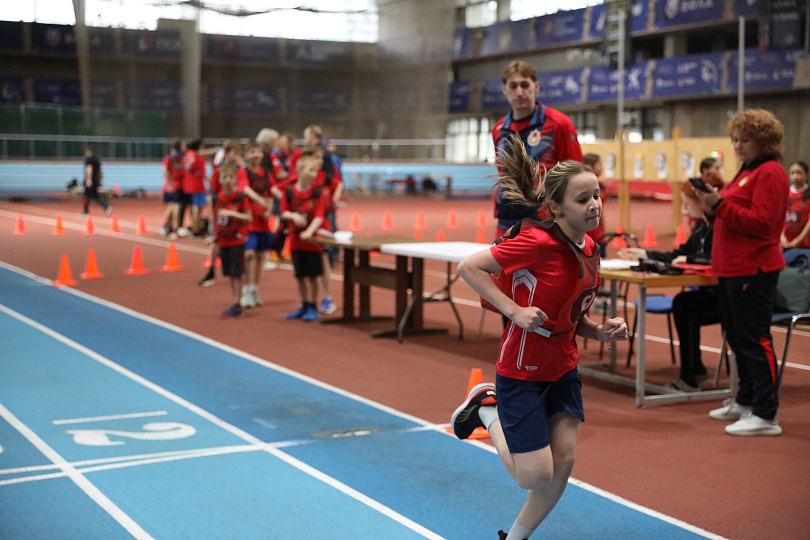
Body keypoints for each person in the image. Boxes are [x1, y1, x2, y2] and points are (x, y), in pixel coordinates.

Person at [453, 135, 627, 540]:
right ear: (556, 208)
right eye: (583, 199)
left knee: (562, 464)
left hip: (563, 368)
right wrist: (514, 310)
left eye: (597, 195)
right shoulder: (536, 242)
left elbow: (569, 311)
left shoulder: (591, 246)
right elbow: (469, 268)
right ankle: (487, 410)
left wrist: (597, 329)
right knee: (533, 475)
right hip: (522, 371)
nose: (595, 205)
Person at [693, 109, 789, 436]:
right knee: (736, 337)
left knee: (754, 338)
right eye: (734, 139)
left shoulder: (771, 172)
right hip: (732, 266)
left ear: (764, 141)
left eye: (744, 140)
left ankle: (765, 413)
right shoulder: (746, 171)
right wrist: (711, 208)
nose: (737, 146)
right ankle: (746, 399)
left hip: (754, 267)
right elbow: (730, 215)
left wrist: (719, 204)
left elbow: (763, 223)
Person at [618, 171, 725, 392]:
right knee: (685, 303)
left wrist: (691, 259)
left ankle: (690, 375)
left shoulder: (720, 226)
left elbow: (718, 258)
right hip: (709, 292)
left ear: (701, 201)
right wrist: (645, 254)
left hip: (726, 294)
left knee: (684, 304)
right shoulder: (702, 227)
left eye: (687, 204)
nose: (684, 209)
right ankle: (694, 369)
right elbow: (678, 254)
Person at [491, 60, 583, 240]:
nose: (520, 92)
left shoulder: (559, 124)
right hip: (506, 216)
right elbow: (502, 171)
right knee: (498, 260)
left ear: (536, 87)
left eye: (525, 85)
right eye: (513, 86)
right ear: (504, 90)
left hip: (545, 218)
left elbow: (576, 174)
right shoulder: (498, 129)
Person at [281, 154, 329, 322]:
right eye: (311, 170)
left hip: (312, 242)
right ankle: (304, 304)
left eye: (316, 171)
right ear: (300, 170)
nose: (314, 174)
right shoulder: (289, 191)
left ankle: (313, 306)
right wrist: (292, 216)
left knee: (312, 276)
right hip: (296, 241)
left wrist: (309, 231)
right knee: (300, 275)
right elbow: (283, 211)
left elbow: (319, 216)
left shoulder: (317, 192)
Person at [212, 163, 252, 318]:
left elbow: (248, 217)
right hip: (224, 240)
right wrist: (215, 235)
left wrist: (232, 214)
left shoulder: (241, 197)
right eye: (224, 177)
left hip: (237, 240)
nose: (228, 180)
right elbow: (216, 219)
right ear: (220, 180)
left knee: (237, 273)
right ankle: (235, 301)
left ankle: (237, 303)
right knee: (229, 273)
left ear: (236, 180)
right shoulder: (218, 197)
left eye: (231, 177)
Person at [241, 141, 277, 308]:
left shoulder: (266, 173)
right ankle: (245, 289)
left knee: (260, 256)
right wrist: (260, 201)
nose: (256, 155)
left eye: (258, 152)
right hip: (248, 219)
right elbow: (245, 189)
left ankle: (254, 289)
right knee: (248, 254)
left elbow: (271, 192)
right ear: (246, 154)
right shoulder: (243, 172)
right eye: (252, 152)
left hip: (262, 220)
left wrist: (269, 207)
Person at [780, 161, 810, 250]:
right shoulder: (785, 193)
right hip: (784, 242)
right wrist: (782, 237)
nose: (795, 176)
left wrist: (799, 239)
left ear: (806, 175)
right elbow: (779, 216)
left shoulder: (808, 194)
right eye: (792, 173)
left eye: (799, 173)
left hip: (804, 243)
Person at [161, 138, 185, 240]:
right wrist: (169, 185)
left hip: (178, 185)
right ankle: (175, 229)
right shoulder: (171, 158)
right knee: (175, 207)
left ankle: (167, 226)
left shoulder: (181, 157)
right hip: (173, 186)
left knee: (172, 207)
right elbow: (166, 172)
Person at [582, 153, 605, 248]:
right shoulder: (582, 186)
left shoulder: (602, 186)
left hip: (598, 233)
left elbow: (601, 212)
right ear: (590, 166)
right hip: (586, 233)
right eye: (599, 164)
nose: (602, 168)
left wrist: (603, 230)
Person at [82, 147, 111, 216]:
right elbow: (100, 170)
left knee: (86, 195)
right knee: (96, 195)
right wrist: (100, 178)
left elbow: (89, 168)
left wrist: (89, 179)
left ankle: (86, 211)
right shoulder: (97, 159)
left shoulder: (89, 159)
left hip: (91, 180)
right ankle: (106, 206)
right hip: (96, 180)